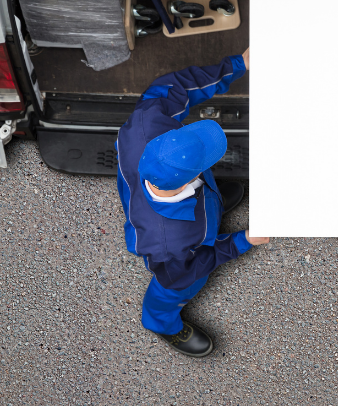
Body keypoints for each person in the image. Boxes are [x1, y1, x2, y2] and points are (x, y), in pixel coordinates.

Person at [115, 49, 268, 357]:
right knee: (175, 290)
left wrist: (238, 64)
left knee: (210, 202)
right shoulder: (170, 243)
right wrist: (243, 240)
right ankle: (161, 323)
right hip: (178, 266)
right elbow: (193, 266)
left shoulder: (148, 123)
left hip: (184, 208)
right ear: (188, 181)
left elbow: (175, 87)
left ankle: (216, 203)